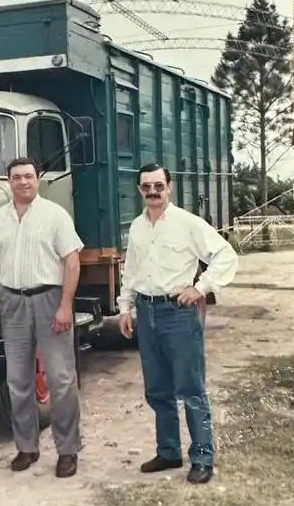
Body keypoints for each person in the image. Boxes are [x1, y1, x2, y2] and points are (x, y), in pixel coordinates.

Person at [117, 163, 238, 484]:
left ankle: (202, 457)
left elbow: (225, 255)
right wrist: (125, 308)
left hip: (178, 315)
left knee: (191, 388)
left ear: (169, 187)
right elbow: (131, 272)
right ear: (140, 190)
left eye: (159, 186)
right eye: (146, 187)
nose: (153, 192)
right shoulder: (138, 227)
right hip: (146, 312)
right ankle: (168, 452)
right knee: (158, 389)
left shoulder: (187, 223)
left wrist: (199, 288)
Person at [0, 157, 84, 478]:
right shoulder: (0, 217)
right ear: (8, 182)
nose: (23, 182)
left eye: (28, 176)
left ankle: (67, 451)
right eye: (16, 177)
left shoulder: (54, 215)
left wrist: (65, 305)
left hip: (49, 299)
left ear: (38, 180)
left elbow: (72, 260)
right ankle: (26, 447)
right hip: (12, 302)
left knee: (61, 379)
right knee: (18, 381)